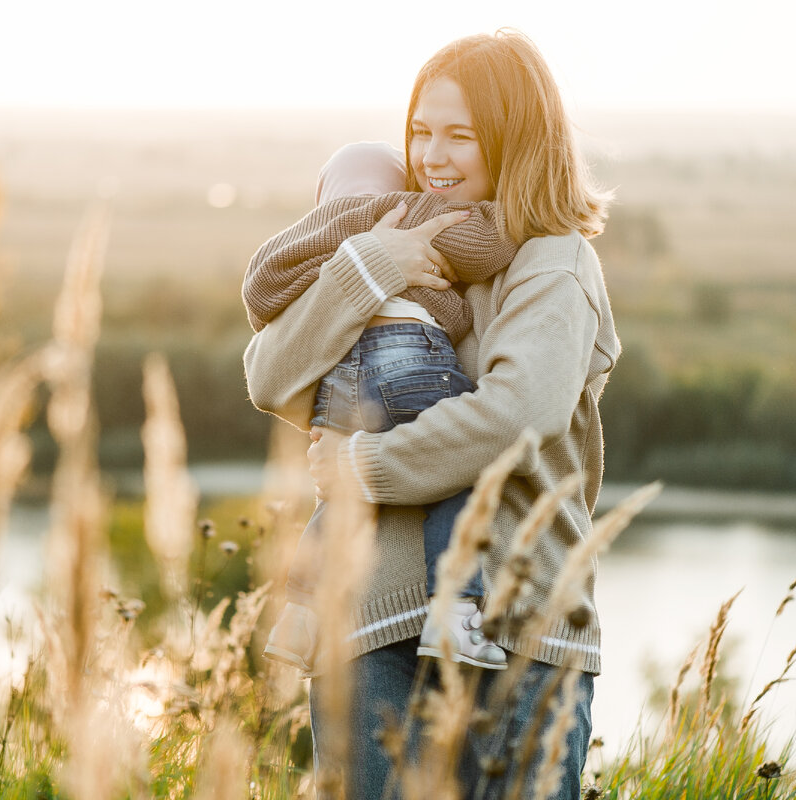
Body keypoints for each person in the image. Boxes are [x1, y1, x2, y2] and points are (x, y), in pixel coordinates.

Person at [244, 29, 618, 800]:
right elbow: (269, 375)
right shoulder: (384, 243)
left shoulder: (554, 262)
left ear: (515, 141)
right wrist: (371, 266)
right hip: (368, 634)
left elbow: (520, 412)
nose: (431, 156)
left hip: (519, 638)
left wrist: (364, 469)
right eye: (420, 131)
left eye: (460, 135)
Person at [245, 140, 521, 674]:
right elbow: (484, 247)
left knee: (343, 492)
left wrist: (333, 279)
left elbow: (262, 293)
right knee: (455, 469)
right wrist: (496, 219)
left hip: (340, 380)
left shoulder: (307, 235)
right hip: (410, 356)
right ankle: (457, 612)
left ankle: (299, 616)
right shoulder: (403, 211)